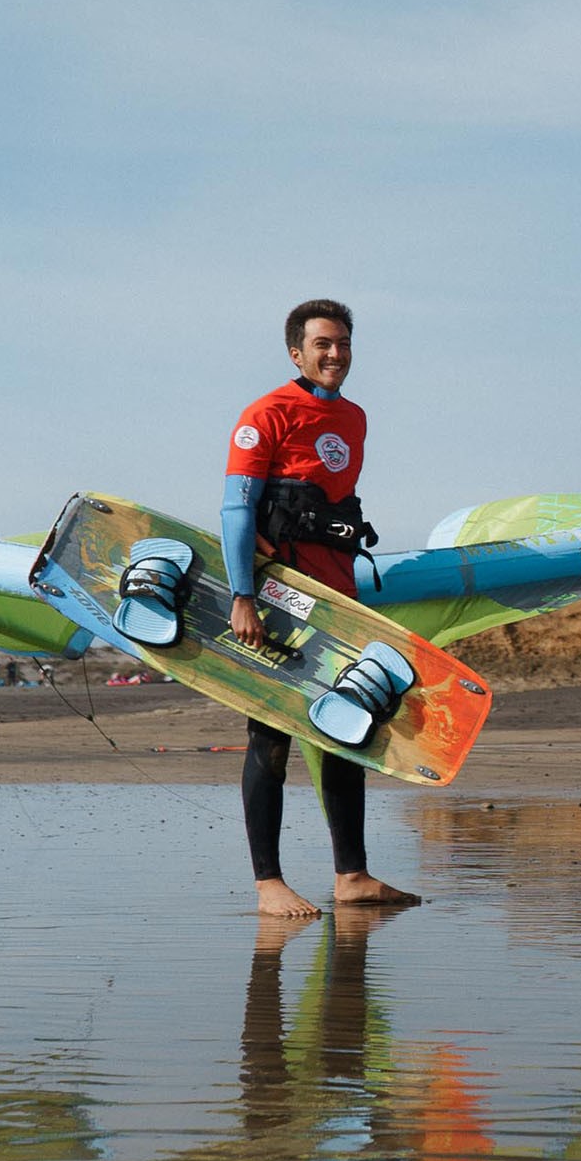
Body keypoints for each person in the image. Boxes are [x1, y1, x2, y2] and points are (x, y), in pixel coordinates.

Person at [223, 299, 418, 918]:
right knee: (271, 729)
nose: (335, 354)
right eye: (323, 344)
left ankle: (351, 876)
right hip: (279, 596)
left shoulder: (355, 419)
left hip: (338, 600)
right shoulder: (266, 414)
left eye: (343, 344)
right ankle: (268, 883)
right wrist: (242, 596)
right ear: (296, 353)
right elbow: (235, 508)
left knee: (346, 727)